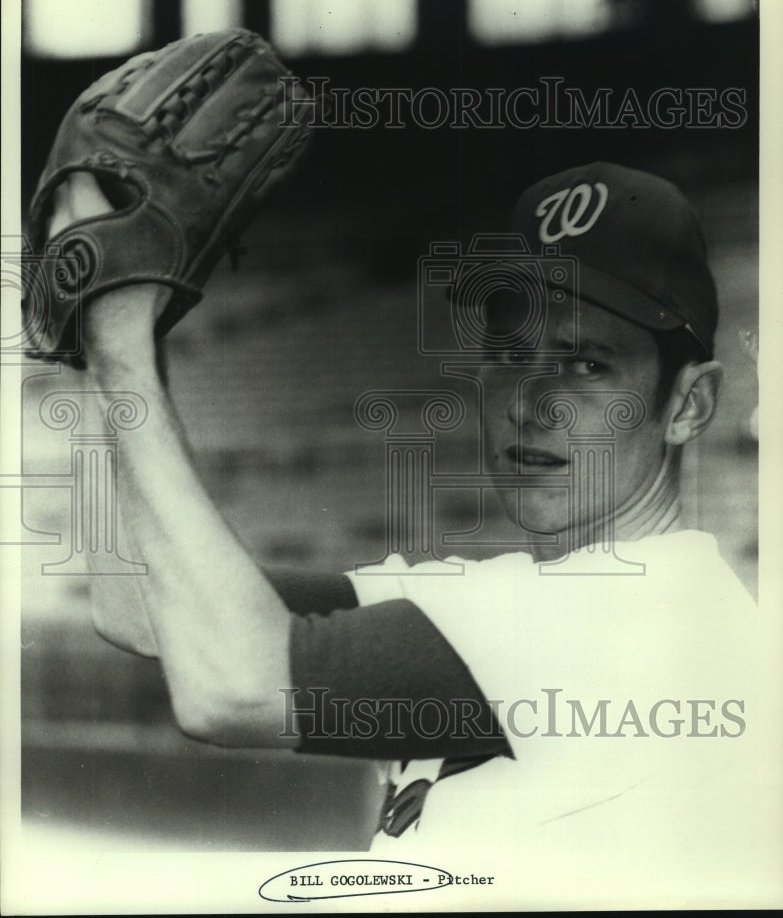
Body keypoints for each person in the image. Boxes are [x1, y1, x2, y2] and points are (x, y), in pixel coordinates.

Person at [44, 161, 760, 870]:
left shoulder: (660, 612)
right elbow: (138, 599)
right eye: (508, 354)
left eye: (585, 365)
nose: (529, 400)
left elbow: (232, 687)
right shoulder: (500, 600)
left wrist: (122, 350)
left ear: (687, 405)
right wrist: (91, 339)